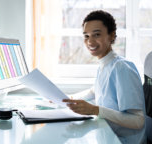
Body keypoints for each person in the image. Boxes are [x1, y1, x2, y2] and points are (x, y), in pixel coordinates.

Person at [63, 10, 146, 144]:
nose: (90, 41)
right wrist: (67, 98)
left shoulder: (122, 68)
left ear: (111, 36)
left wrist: (95, 110)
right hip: (108, 137)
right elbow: (95, 91)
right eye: (86, 36)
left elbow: (137, 121)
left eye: (96, 34)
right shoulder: (104, 65)